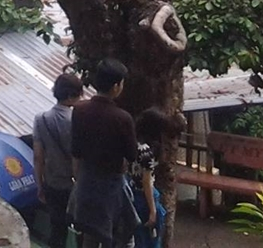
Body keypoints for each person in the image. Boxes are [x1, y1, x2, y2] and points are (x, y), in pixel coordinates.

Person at [70, 58, 140, 248]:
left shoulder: (79, 110)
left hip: (86, 182)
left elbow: (76, 151)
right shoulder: (122, 118)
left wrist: (78, 180)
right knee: (118, 236)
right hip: (111, 187)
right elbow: (132, 155)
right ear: (116, 86)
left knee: (90, 236)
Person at [34, 72, 84, 248]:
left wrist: (40, 184)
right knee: (80, 229)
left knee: (57, 228)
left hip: (52, 182)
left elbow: (38, 157)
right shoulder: (76, 120)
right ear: (71, 96)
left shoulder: (41, 119)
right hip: (75, 185)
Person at [130, 107, 181, 248]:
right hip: (144, 197)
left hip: (132, 193)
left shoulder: (133, 144)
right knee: (149, 239)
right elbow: (146, 182)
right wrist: (152, 210)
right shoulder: (147, 152)